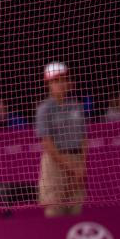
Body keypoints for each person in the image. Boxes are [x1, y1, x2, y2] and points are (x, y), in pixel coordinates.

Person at [35, 62, 87, 217]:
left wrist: (81, 166)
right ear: (49, 84)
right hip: (55, 163)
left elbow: (84, 138)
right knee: (54, 209)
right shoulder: (44, 110)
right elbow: (47, 144)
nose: (61, 84)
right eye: (56, 81)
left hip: (77, 161)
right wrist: (72, 168)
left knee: (76, 208)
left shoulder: (77, 106)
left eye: (64, 79)